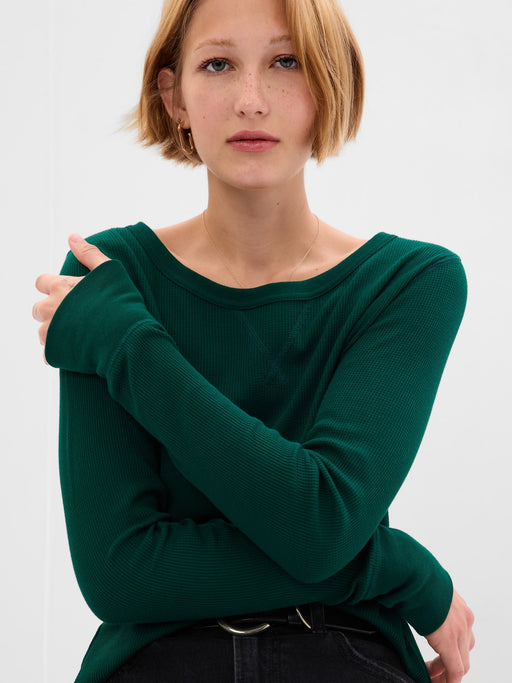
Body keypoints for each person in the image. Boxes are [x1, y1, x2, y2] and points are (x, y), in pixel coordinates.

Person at [33, 0, 475, 681]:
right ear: (174, 97)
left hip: (343, 652)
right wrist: (397, 567)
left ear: (328, 85)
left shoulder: (409, 282)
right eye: (217, 64)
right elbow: (119, 574)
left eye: (286, 61)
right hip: (156, 661)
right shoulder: (110, 276)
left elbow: (322, 524)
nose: (251, 99)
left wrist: (129, 346)